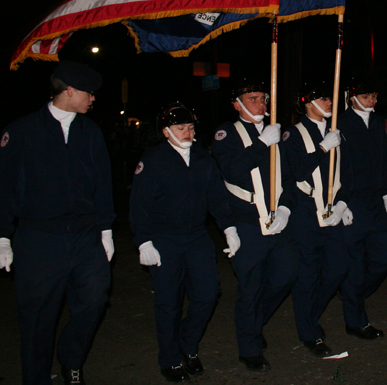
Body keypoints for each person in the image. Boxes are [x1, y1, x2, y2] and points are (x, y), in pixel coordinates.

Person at [0, 60, 114, 385]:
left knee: (95, 300)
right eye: (88, 93)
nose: (93, 99)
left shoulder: (91, 131)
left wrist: (106, 229)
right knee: (37, 318)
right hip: (39, 238)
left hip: (84, 236)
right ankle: (37, 377)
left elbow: (103, 184)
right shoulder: (23, 131)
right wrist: (1, 236)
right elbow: (3, 188)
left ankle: (71, 360)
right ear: (69, 91)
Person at [129, 103, 239, 382]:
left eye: (191, 127)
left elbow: (216, 196)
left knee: (207, 295)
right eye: (181, 128)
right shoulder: (153, 160)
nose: (188, 133)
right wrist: (144, 242)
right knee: (169, 303)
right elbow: (139, 205)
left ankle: (187, 345)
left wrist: (229, 228)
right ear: (166, 132)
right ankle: (169, 359)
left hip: (197, 238)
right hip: (164, 239)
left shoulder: (203, 157)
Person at [210, 83, 298, 372]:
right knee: (250, 286)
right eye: (252, 99)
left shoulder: (276, 132)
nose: (260, 103)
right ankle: (249, 347)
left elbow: (288, 176)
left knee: (285, 275)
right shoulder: (226, 134)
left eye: (262, 98)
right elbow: (232, 171)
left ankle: (254, 322)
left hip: (278, 218)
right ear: (237, 104)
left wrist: (286, 207)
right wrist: (261, 144)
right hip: (247, 221)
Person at [280, 84, 348, 357]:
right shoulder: (293, 134)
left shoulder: (335, 131)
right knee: (307, 275)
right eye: (323, 98)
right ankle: (309, 332)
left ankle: (308, 314)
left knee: (338, 268)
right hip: (306, 210)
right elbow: (297, 170)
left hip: (332, 207)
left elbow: (347, 167)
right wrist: (322, 148)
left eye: (330, 97)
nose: (330, 102)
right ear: (308, 103)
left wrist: (345, 201)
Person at [337, 80, 387, 340]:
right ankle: (356, 321)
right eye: (366, 95)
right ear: (352, 97)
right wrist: (342, 201)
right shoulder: (339, 123)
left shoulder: (376, 122)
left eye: (374, 94)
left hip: (375, 198)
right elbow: (337, 166)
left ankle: (353, 293)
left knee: (386, 255)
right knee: (354, 265)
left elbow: (383, 159)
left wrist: (386, 193)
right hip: (354, 199)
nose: (372, 99)